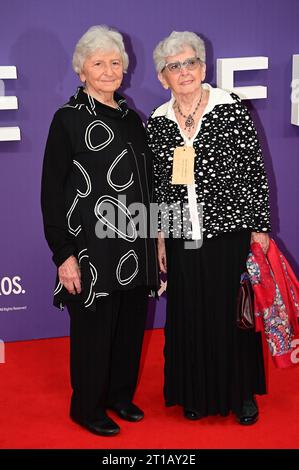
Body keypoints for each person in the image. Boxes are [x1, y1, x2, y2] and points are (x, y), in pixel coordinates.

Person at [146, 31, 271, 425]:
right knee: (188, 313)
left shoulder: (229, 107)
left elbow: (254, 171)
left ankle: (240, 395)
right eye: (173, 66)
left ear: (203, 67)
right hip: (182, 235)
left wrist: (259, 227)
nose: (183, 71)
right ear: (162, 77)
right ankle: (193, 393)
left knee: (231, 312)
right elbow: (158, 185)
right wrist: (160, 237)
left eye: (190, 62)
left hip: (228, 231)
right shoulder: (158, 121)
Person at [41, 25, 158, 436]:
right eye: (98, 63)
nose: (108, 70)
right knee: (93, 332)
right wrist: (64, 254)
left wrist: (157, 236)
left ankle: (119, 397)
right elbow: (52, 192)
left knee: (128, 328)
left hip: (137, 244)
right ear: (81, 71)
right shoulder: (68, 120)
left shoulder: (132, 118)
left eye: (115, 62)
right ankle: (87, 407)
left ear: (124, 68)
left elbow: (150, 184)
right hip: (91, 248)